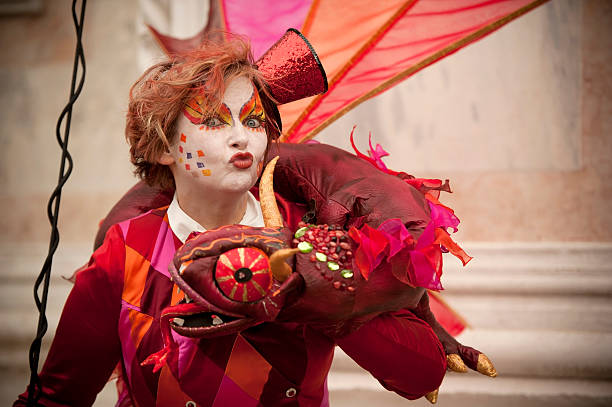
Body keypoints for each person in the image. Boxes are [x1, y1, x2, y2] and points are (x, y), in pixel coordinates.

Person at [15, 31, 462, 406]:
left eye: (253, 120)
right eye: (212, 120)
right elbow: (58, 396)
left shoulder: (313, 234)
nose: (240, 137)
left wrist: (318, 293)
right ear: (162, 148)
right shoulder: (127, 248)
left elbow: (419, 377)